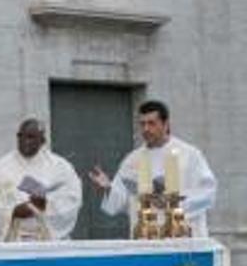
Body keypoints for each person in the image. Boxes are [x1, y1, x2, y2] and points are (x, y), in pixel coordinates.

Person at [88, 100, 217, 237]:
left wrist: (173, 204)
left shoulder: (190, 155)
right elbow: (125, 202)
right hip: (146, 238)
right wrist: (108, 188)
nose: (146, 129)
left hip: (182, 238)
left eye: (151, 123)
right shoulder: (132, 160)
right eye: (142, 124)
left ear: (166, 124)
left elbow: (207, 192)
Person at [0, 118, 82, 241]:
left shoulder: (61, 168)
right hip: (13, 243)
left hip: (49, 245)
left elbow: (72, 201)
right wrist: (13, 212)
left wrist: (45, 205)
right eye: (20, 136)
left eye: (31, 137)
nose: (25, 141)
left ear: (42, 140)